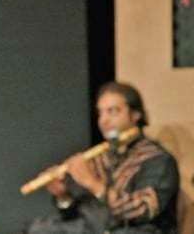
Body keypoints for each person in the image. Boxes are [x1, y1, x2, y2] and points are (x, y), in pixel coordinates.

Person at [27, 82, 179, 234]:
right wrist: (63, 196)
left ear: (135, 114)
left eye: (113, 111)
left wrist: (92, 183)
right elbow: (84, 216)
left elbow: (144, 211)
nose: (103, 120)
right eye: (101, 113)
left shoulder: (158, 160)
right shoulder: (98, 159)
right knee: (39, 229)